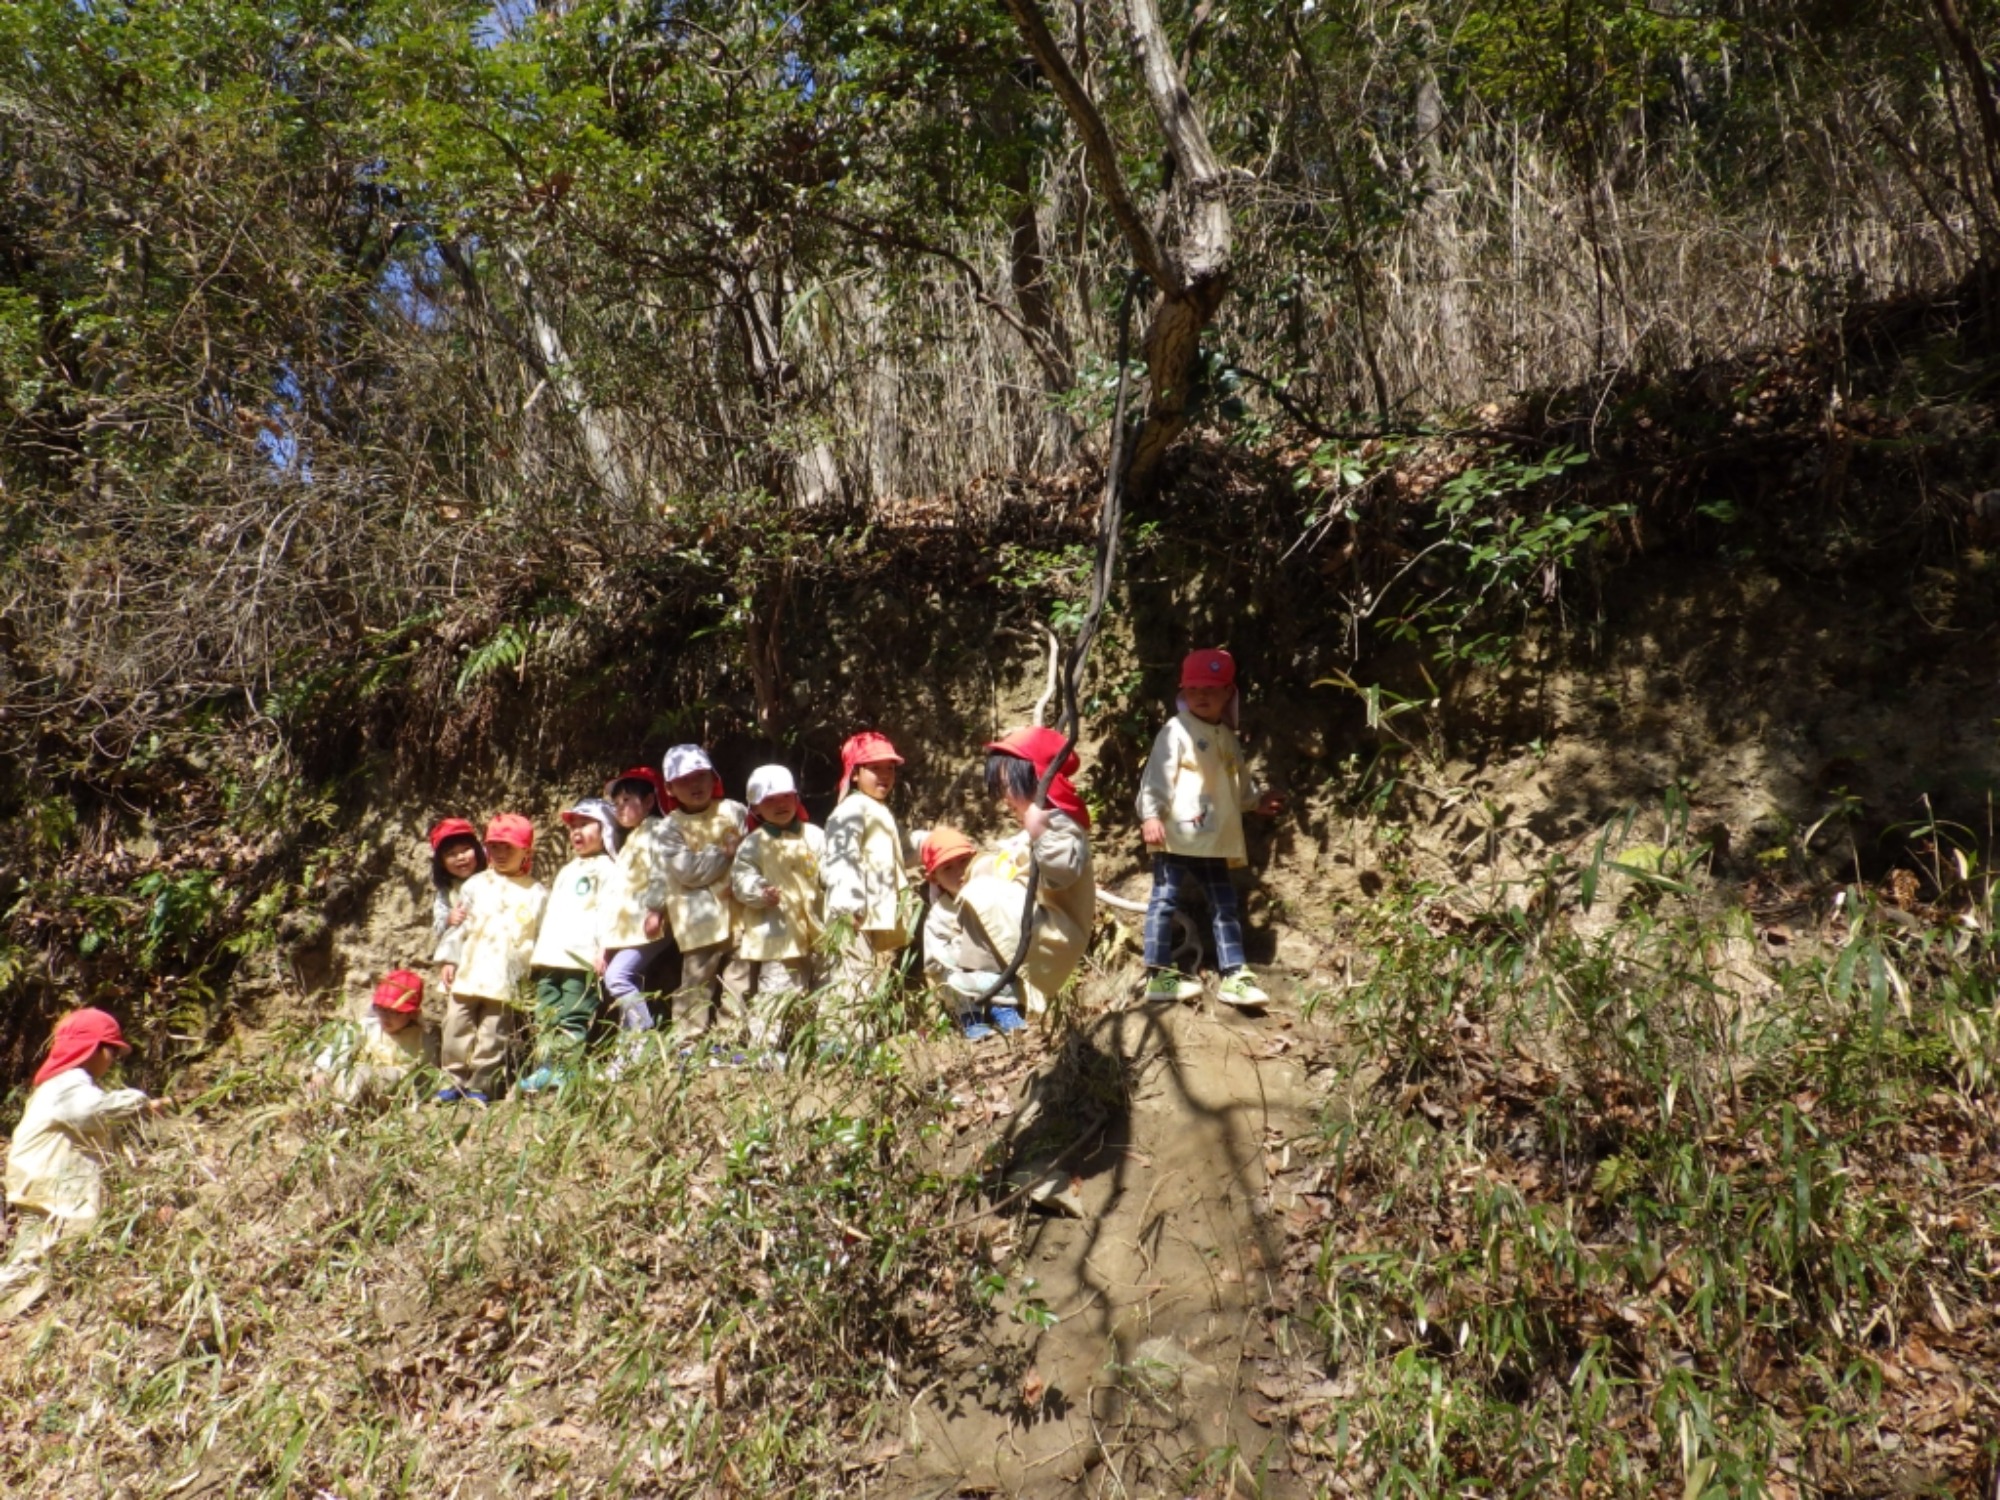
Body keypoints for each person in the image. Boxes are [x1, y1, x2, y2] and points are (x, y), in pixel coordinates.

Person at [1136, 647, 1283, 1006]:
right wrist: (1151, 814)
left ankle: (1234, 974)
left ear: (1228, 693)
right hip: (1176, 834)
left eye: (1211, 689)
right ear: (1183, 692)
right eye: (1194, 689)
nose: (1201, 695)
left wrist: (1257, 802)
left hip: (1215, 839)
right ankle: (1158, 973)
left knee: (1225, 903)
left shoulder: (1228, 737)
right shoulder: (1176, 730)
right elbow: (1156, 776)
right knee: (1164, 900)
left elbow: (1237, 784)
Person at [1, 1009, 168, 1319]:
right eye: (111, 1051)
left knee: (38, 1258)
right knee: (31, 1260)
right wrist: (140, 1102)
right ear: (93, 1048)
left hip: (40, 1186)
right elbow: (90, 1113)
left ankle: (14, 1317)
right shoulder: (69, 1084)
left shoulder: (58, 1085)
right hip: (47, 1190)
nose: (113, 1060)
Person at [955, 726, 1097, 1024]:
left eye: (1007, 787)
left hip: (1056, 932)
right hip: (1037, 925)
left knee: (982, 892)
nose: (1004, 798)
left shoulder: (1061, 824)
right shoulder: (1038, 825)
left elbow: (1062, 872)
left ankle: (993, 980)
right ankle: (992, 983)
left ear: (1032, 780)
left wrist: (1041, 834)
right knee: (982, 871)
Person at [437, 814, 548, 1103]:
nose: (499, 854)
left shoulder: (536, 893)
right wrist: (449, 960)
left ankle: (481, 1086)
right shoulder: (475, 884)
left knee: (493, 1035)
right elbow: (459, 926)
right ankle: (453, 1080)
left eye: (507, 848)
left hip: (504, 979)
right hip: (469, 971)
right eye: (494, 847)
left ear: (526, 850)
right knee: (454, 1026)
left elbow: (541, 937)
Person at [821, 730, 919, 1045]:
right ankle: (839, 1043)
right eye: (874, 768)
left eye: (889, 768)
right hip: (853, 913)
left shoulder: (877, 809)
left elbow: (900, 852)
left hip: (871, 911)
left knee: (867, 976)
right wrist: (848, 905)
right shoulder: (851, 810)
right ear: (855, 774)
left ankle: (859, 1042)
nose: (884, 775)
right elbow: (841, 858)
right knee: (850, 977)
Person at [519, 798, 620, 1094]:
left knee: (573, 1013)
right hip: (551, 955)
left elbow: (608, 910)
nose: (576, 832)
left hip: (580, 957)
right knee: (547, 1013)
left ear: (606, 828)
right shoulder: (567, 870)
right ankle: (545, 1067)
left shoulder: (607, 868)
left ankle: (565, 1068)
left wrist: (603, 949)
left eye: (585, 825)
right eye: (573, 827)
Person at [657, 745, 751, 1042]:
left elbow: (752, 852)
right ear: (670, 787)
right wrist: (724, 853)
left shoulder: (734, 810)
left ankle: (730, 1037)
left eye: (701, 776)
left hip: (739, 912)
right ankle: (688, 1039)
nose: (695, 784)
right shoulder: (669, 827)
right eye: (684, 779)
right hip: (697, 918)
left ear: (714, 778)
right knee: (697, 980)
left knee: (740, 976)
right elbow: (690, 872)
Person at [729, 765, 825, 1052]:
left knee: (824, 985)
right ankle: (764, 1049)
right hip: (778, 931)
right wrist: (759, 891)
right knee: (777, 989)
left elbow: (831, 869)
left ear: (797, 798)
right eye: (770, 800)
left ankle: (821, 1044)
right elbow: (741, 878)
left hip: (818, 928)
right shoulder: (754, 844)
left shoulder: (814, 835)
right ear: (756, 806)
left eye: (786, 796)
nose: (780, 804)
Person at [596, 767, 673, 1037]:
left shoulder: (657, 830)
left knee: (617, 977)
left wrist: (656, 909)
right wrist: (606, 943)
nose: (620, 808)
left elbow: (663, 870)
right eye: (616, 803)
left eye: (627, 800)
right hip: (630, 929)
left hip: (650, 924)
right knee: (625, 980)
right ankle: (628, 1047)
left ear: (650, 801)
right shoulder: (630, 840)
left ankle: (642, 1036)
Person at [915, 825, 996, 1039]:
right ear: (933, 878)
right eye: (947, 868)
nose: (959, 872)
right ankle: (972, 1018)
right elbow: (933, 964)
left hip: (998, 971)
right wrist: (960, 954)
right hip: (962, 977)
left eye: (963, 862)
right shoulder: (939, 915)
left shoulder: (993, 893)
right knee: (953, 977)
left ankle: (1006, 1009)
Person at [309, 969, 426, 1104]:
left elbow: (425, 1079)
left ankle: (343, 1112)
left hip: (387, 1093)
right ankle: (331, 1108)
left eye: (395, 1012)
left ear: (412, 1014)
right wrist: (322, 1071)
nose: (385, 1017)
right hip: (352, 1084)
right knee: (353, 1071)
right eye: (381, 1009)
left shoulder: (421, 1040)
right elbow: (342, 1048)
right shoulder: (367, 1027)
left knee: (373, 1073)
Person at [428, 817, 488, 992]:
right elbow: (438, 926)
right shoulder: (447, 892)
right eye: (451, 854)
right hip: (461, 961)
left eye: (466, 850)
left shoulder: (492, 879)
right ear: (441, 863)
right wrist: (448, 919)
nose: (460, 857)